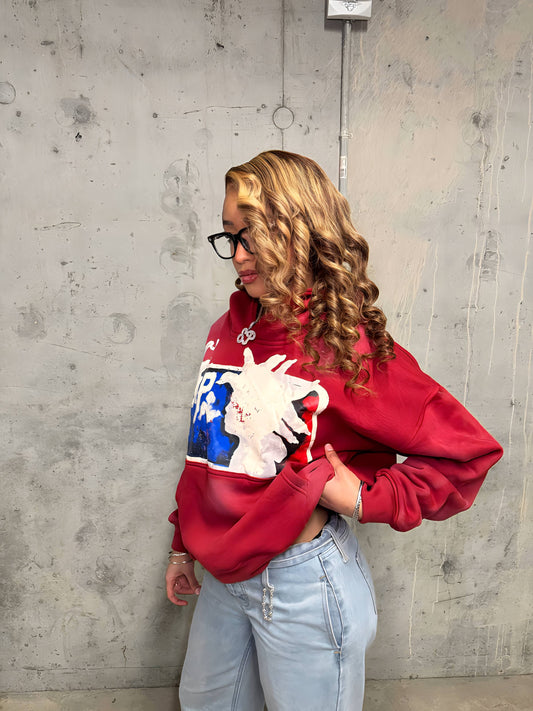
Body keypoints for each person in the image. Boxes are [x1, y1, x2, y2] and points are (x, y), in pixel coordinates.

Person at [165, 150, 503, 711]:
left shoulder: (344, 346)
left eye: (253, 235)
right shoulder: (228, 328)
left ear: (299, 232)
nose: (239, 255)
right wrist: (182, 546)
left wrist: (368, 498)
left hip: (300, 583)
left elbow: (468, 452)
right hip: (224, 577)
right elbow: (207, 455)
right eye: (230, 236)